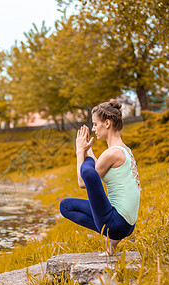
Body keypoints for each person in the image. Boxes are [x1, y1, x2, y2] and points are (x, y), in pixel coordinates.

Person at [60, 99, 141, 256]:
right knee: (66, 206)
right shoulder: (123, 150)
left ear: (108, 123)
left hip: (116, 223)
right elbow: (100, 169)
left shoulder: (111, 153)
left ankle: (109, 235)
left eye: (96, 124)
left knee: (86, 174)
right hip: (127, 224)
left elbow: (83, 182)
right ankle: (111, 243)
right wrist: (88, 150)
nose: (93, 128)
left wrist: (79, 151)